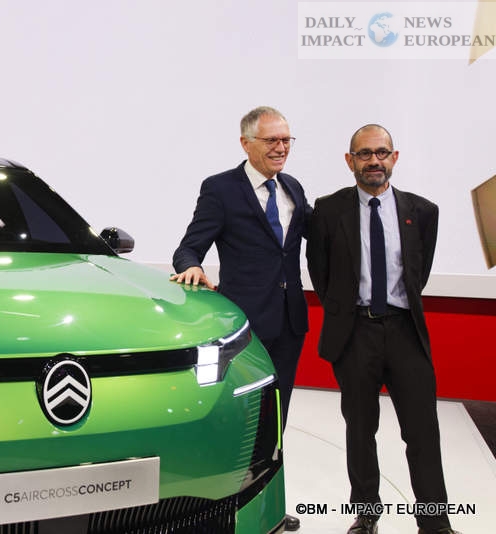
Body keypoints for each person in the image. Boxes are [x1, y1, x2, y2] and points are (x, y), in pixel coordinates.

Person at [306, 124, 460, 534]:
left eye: (381, 152)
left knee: (423, 432)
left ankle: (435, 523)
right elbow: (320, 273)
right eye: (364, 153)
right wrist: (347, 313)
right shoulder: (328, 210)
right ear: (350, 160)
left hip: (406, 331)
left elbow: (418, 273)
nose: (373, 161)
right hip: (355, 334)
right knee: (360, 431)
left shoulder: (423, 211)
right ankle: (367, 515)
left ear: (394, 157)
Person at [171, 106, 310, 532]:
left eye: (286, 140)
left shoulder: (293, 188)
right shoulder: (221, 189)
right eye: (272, 140)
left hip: (289, 323)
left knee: (278, 420)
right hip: (246, 328)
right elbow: (189, 247)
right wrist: (192, 267)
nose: (281, 148)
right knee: (243, 423)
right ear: (246, 143)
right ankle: (224, 508)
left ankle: (270, 505)